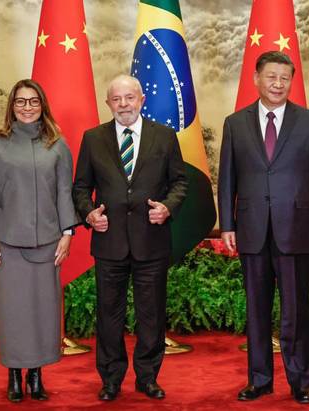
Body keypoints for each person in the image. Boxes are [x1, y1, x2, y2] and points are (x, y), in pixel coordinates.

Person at [218, 51, 309, 404]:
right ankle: (260, 379)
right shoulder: (235, 123)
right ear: (256, 78)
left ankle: (300, 381)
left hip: (297, 228)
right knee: (257, 310)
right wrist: (227, 224)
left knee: (295, 310)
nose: (278, 84)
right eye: (271, 76)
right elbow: (227, 179)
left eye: (285, 78)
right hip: (251, 229)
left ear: (291, 81)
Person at [72, 74, 187, 401]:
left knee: (151, 315)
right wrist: (90, 214)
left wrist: (166, 207)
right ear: (108, 103)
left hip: (152, 240)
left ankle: (148, 377)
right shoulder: (93, 138)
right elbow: (81, 188)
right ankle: (110, 379)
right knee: (109, 315)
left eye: (129, 98)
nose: (123, 105)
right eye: (116, 99)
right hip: (109, 244)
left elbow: (180, 183)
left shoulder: (164, 137)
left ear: (141, 100)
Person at [0, 79, 78, 402]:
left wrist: (67, 233)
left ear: (42, 105)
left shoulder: (57, 144)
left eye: (33, 102)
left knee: (44, 313)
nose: (27, 107)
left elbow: (63, 191)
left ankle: (37, 376)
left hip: (48, 243)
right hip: (7, 244)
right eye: (20, 102)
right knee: (13, 313)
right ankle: (14, 375)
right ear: (12, 107)